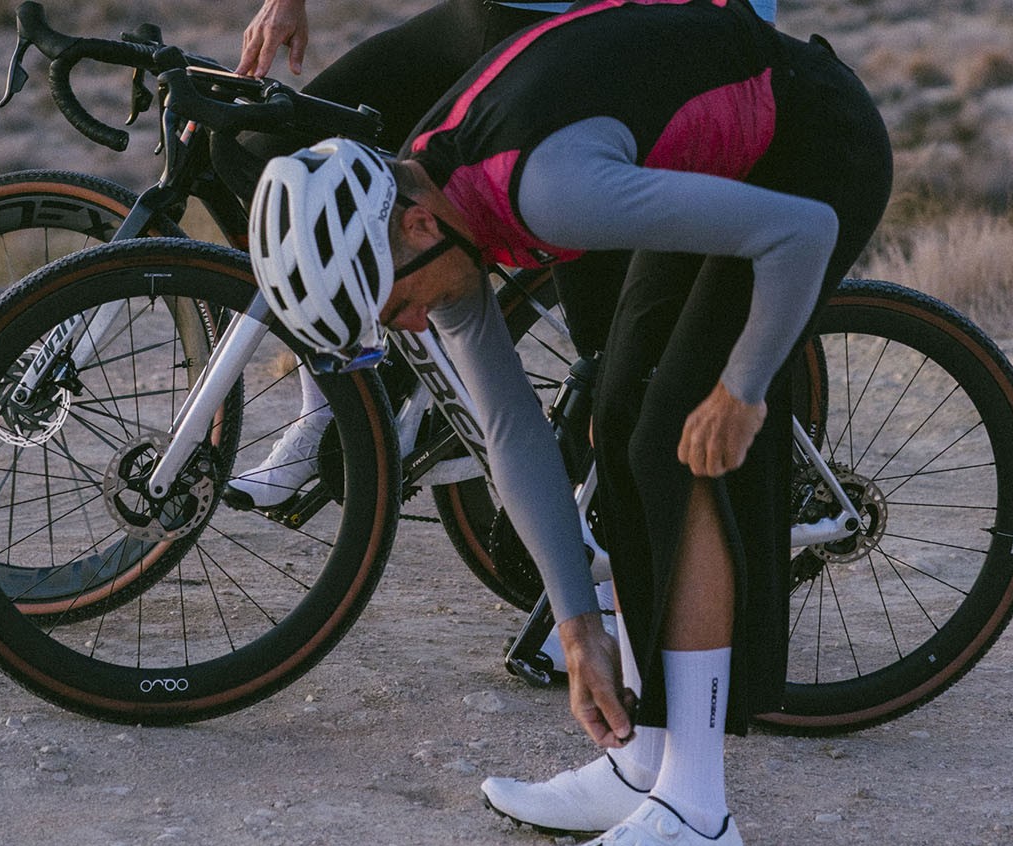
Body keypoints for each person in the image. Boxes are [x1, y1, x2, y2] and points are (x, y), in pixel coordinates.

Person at [246, 0, 891, 846]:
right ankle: (641, 761)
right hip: (719, 156)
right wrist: (576, 625)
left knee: (677, 438)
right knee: (616, 423)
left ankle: (697, 811)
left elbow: (800, 232)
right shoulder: (426, 208)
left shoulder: (549, 194)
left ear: (414, 225)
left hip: (811, 143)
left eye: (394, 303)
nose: (409, 323)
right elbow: (509, 432)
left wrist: (744, 391)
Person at [226, 0, 776, 508]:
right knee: (266, 157)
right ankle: (337, 405)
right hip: (488, 14)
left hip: (597, 28)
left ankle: (624, 541)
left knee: (615, 362)